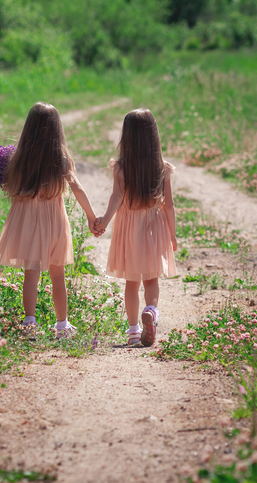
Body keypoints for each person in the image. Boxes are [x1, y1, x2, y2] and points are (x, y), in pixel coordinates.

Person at [0, 102, 98, 339]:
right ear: (56, 130)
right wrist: (92, 217)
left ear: (28, 128)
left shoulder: (19, 158)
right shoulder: (60, 158)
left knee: (31, 273)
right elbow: (77, 188)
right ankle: (62, 325)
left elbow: (9, 184)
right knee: (57, 272)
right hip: (53, 221)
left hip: (27, 220)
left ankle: (30, 323)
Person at [94, 108, 177, 346]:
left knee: (132, 282)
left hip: (129, 227)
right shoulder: (163, 167)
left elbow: (117, 197)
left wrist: (105, 220)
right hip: (154, 225)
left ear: (126, 136)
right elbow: (169, 206)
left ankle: (133, 331)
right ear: (154, 136)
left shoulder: (121, 167)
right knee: (151, 279)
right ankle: (151, 310)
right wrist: (172, 234)